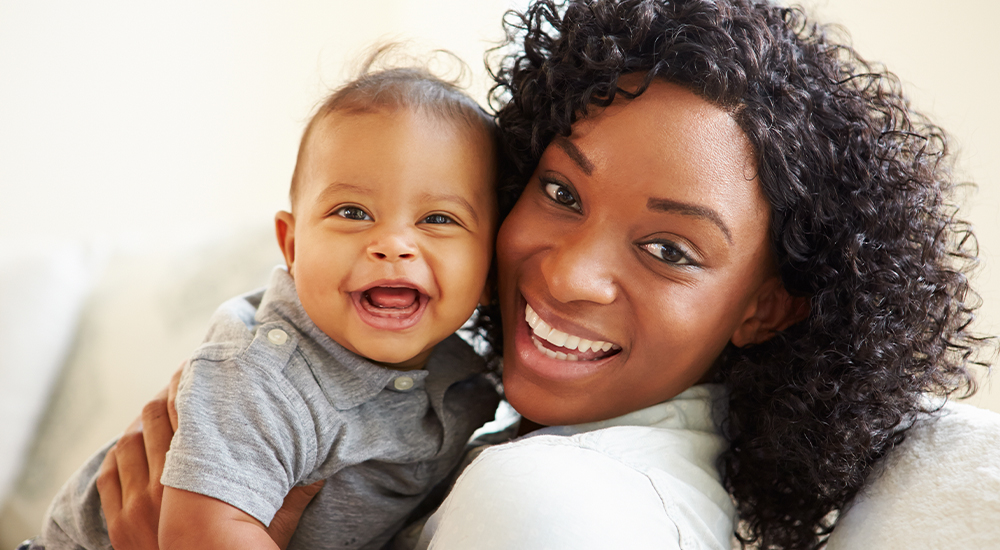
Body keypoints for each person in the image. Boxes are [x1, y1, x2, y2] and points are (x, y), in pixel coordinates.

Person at [88, 0, 991, 549]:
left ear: (764, 308)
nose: (568, 274)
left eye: (669, 250)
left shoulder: (550, 506)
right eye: (559, 190)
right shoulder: (461, 400)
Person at [32, 62, 503, 550]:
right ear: (293, 247)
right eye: (352, 212)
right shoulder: (262, 377)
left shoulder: (466, 381)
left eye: (438, 218)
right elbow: (202, 537)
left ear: (490, 272)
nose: (392, 243)